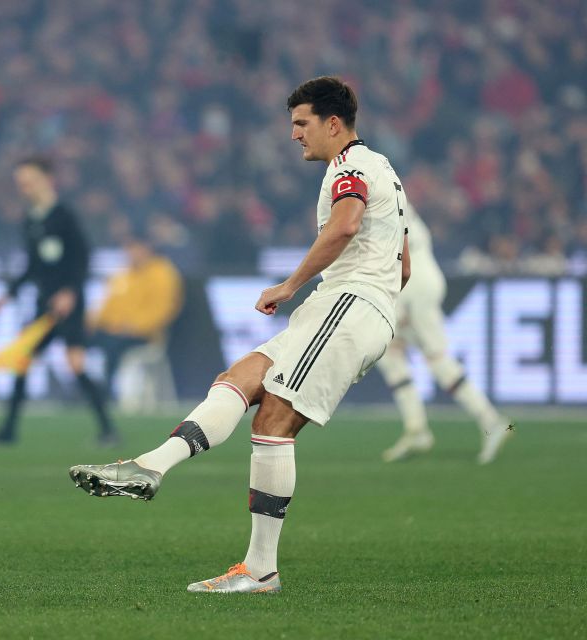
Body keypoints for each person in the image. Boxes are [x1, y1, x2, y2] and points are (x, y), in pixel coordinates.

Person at [70, 76, 424, 594]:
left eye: (301, 124)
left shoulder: (349, 168)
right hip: (347, 305)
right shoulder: (384, 170)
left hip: (347, 304)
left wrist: (292, 284)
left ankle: (260, 570)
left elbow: (346, 226)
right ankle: (150, 466)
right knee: (241, 376)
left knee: (274, 421)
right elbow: (404, 266)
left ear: (332, 123)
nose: (294, 135)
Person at [0, 157, 118, 446]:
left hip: (68, 306)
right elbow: (32, 267)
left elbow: (83, 258)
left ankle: (109, 430)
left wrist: (70, 291)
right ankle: (8, 431)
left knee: (76, 364)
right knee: (22, 360)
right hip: (44, 306)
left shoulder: (64, 215)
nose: (24, 187)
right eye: (21, 183)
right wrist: (7, 296)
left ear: (47, 179)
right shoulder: (31, 219)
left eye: (29, 181)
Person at [377, 203, 512, 464]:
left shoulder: (371, 196)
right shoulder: (388, 190)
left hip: (412, 282)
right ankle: (416, 428)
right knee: (390, 352)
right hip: (417, 277)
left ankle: (493, 421)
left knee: (437, 360)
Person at [87, 230, 183, 394]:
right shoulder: (123, 274)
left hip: (146, 336)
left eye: (135, 247)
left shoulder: (162, 273)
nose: (131, 252)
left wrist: (133, 326)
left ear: (147, 248)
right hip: (115, 331)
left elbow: (163, 310)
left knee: (113, 345)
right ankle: (83, 387)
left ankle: (106, 391)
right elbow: (107, 306)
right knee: (83, 339)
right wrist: (91, 323)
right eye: (128, 248)